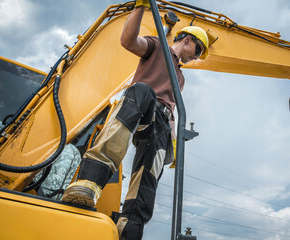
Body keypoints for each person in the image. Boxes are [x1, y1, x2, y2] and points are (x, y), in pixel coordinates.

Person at [61, 0, 209, 239]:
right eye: (199, 50)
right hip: (141, 107)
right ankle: (89, 183)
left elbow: (172, 109)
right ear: (188, 40)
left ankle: (130, 229)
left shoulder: (180, 77)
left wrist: (171, 143)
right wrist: (140, 7)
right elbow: (128, 41)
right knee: (141, 90)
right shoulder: (158, 45)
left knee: (149, 174)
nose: (198, 57)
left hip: (160, 123)